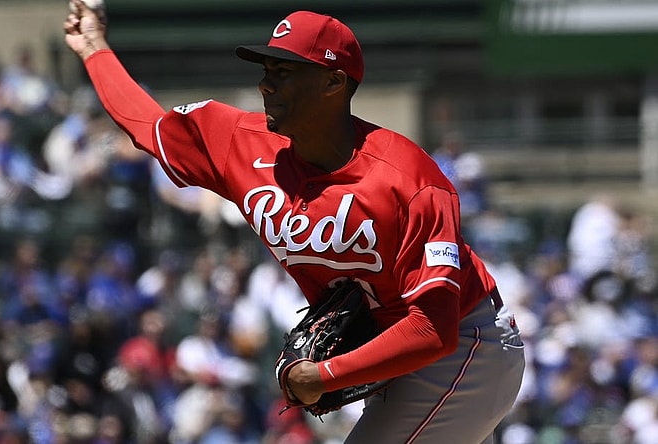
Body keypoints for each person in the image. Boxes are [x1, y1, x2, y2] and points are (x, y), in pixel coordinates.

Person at [63, 3, 525, 443]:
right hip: (398, 356)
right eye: (266, 72)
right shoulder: (239, 143)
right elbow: (148, 125)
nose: (267, 85)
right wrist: (93, 47)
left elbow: (434, 329)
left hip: (467, 348)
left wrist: (323, 375)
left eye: (284, 73)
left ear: (333, 82)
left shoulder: (410, 180)